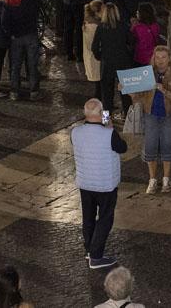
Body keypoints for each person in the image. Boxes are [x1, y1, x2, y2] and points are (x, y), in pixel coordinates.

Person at [70, 98, 127, 269]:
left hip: (85, 183)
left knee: (88, 217)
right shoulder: (109, 134)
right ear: (101, 113)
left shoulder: (75, 132)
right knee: (105, 218)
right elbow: (122, 147)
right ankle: (96, 256)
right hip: (105, 184)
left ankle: (89, 249)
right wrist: (109, 126)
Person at [129, 46, 171, 194]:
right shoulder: (147, 75)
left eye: (163, 57)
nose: (160, 61)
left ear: (169, 59)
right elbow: (139, 96)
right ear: (153, 59)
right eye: (158, 57)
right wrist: (129, 91)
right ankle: (153, 179)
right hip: (151, 114)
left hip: (168, 115)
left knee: (168, 145)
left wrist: (164, 90)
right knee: (150, 146)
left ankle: (166, 178)